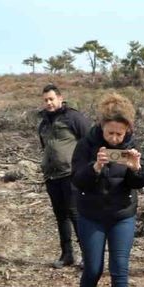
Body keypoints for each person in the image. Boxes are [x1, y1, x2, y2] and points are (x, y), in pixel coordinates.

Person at [70, 93, 144, 287]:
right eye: (110, 133)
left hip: (122, 214)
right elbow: (77, 180)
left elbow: (139, 183)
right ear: (101, 126)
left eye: (119, 134)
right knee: (93, 267)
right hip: (91, 214)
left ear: (128, 130)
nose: (114, 138)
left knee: (120, 267)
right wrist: (95, 167)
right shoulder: (86, 145)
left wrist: (136, 169)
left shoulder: (131, 147)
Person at [37, 84, 91, 268]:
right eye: (45, 100)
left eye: (51, 99)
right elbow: (45, 146)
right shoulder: (43, 123)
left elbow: (88, 141)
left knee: (76, 214)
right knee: (60, 215)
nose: (49, 103)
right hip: (52, 176)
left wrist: (85, 168)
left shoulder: (73, 117)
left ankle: (87, 255)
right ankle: (67, 254)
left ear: (60, 98)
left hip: (71, 174)